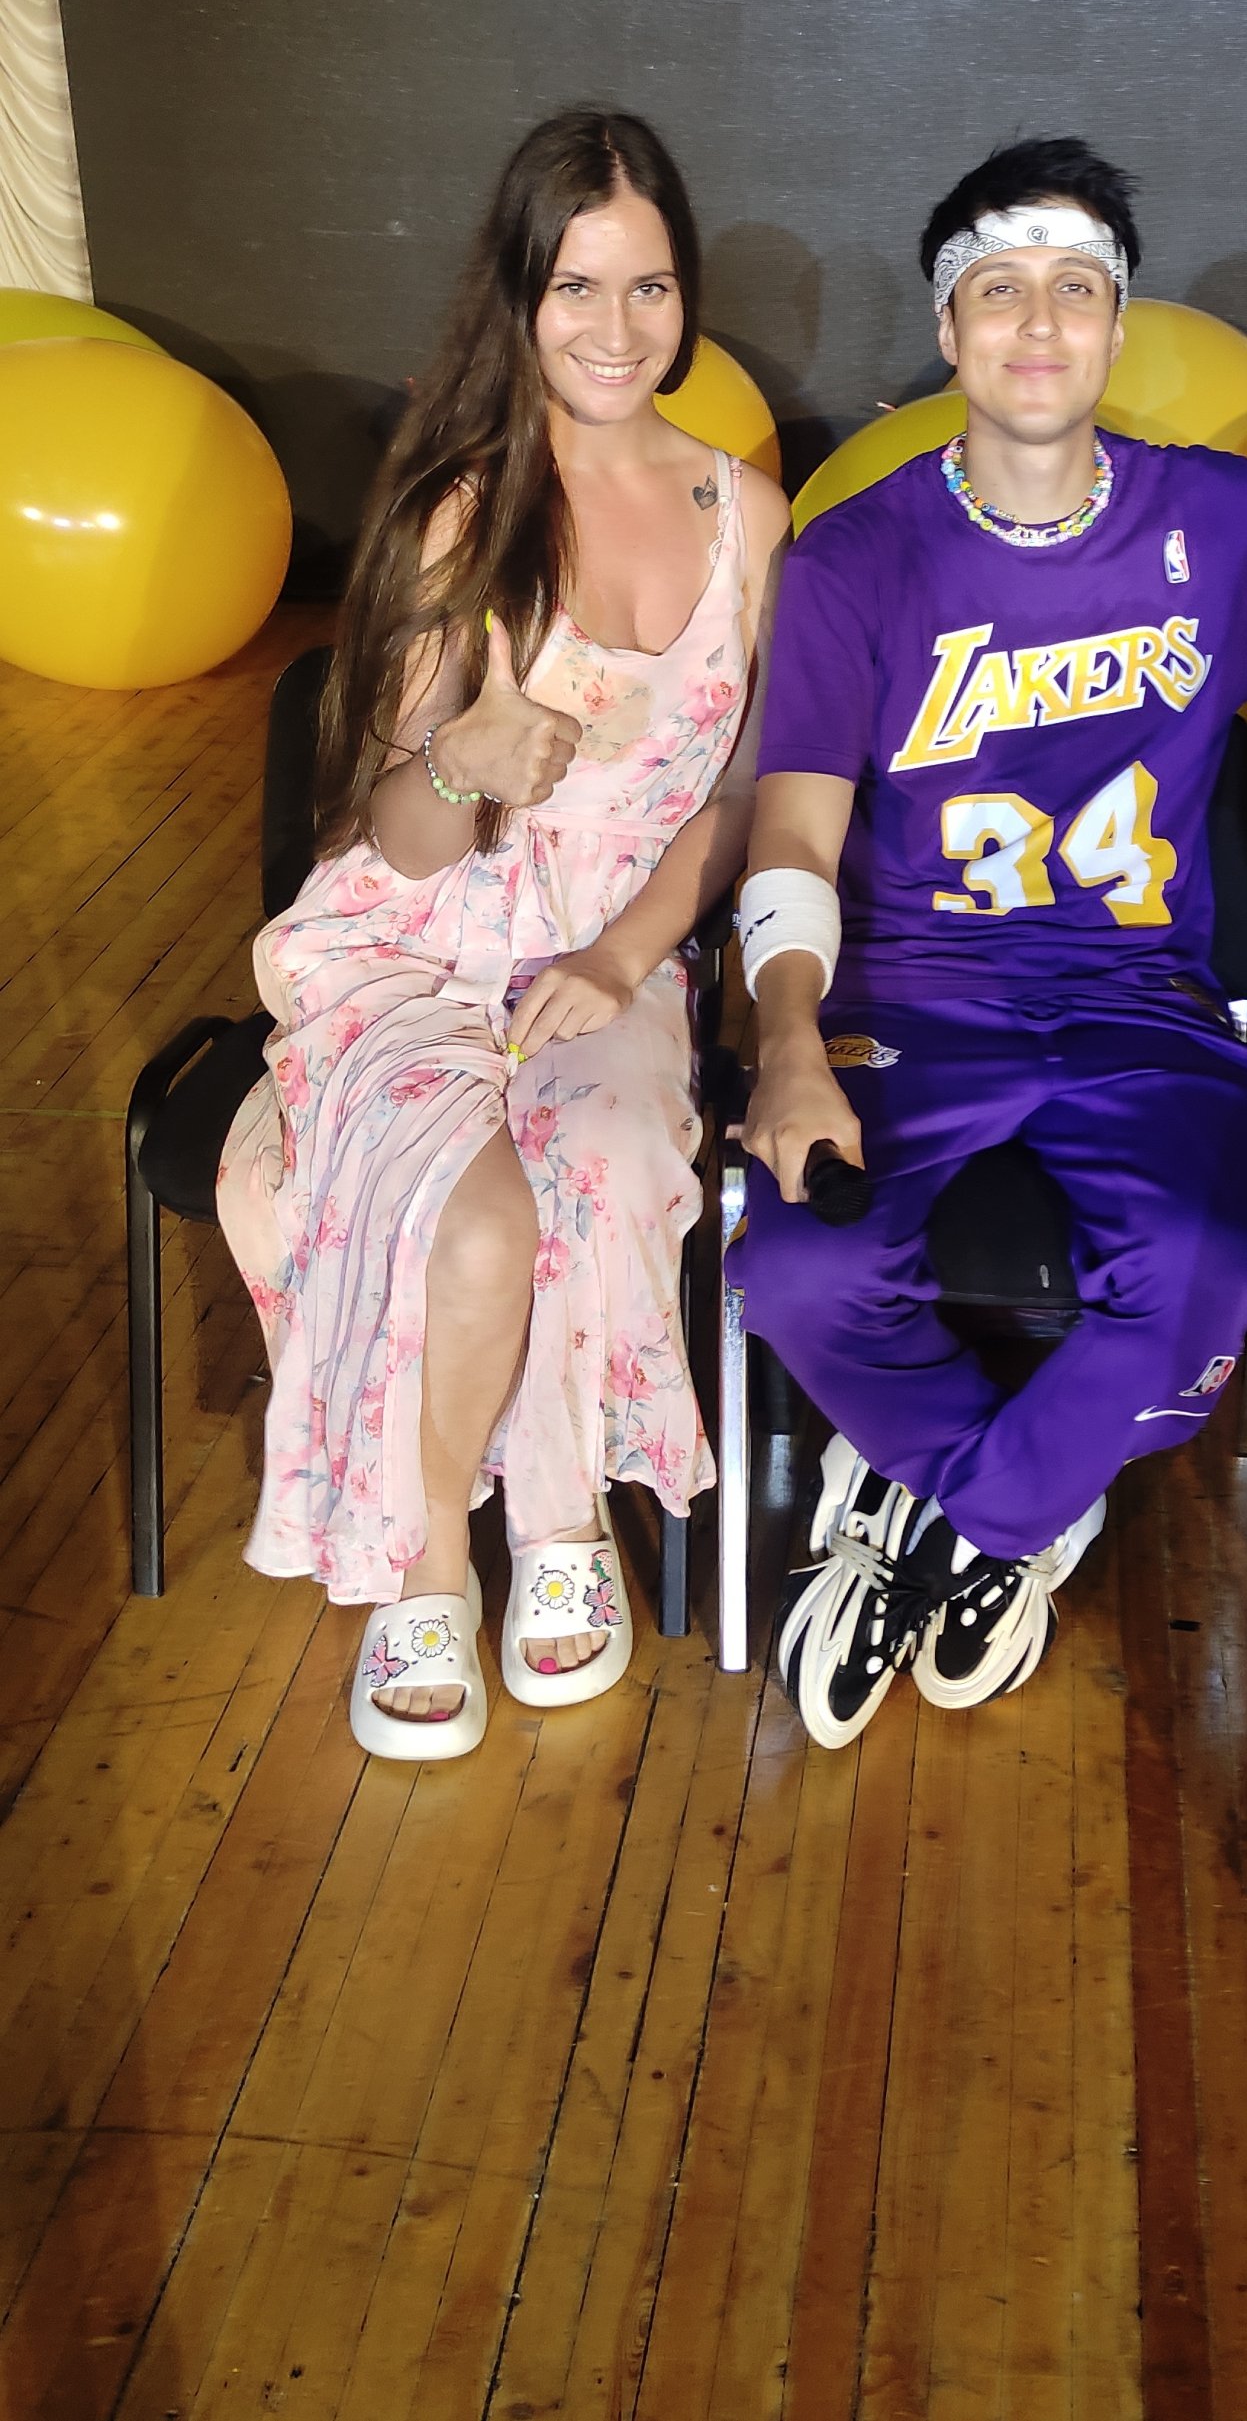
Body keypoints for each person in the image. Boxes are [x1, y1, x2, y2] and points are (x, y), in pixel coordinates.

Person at [218, 108, 790, 1761]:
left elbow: (741, 794)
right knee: (475, 1227)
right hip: (410, 947)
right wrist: (460, 761)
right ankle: (430, 1571)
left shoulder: (749, 517)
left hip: (611, 953)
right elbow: (397, 839)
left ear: (686, 296)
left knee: (600, 1157)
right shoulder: (458, 514)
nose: (616, 327)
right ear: (522, 296)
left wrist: (619, 960)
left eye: (650, 286)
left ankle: (559, 1526)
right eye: (576, 287)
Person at [738, 136, 1247, 1748]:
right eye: (998, 289)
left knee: (1210, 1268)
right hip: (916, 991)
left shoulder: (1229, 519)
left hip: (1142, 995)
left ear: (1115, 322)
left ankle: (937, 1516)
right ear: (948, 327)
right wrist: (784, 1044)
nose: (1038, 323)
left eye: (1073, 288)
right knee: (798, 1272)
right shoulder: (852, 556)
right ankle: (1032, 1502)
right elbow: (793, 834)